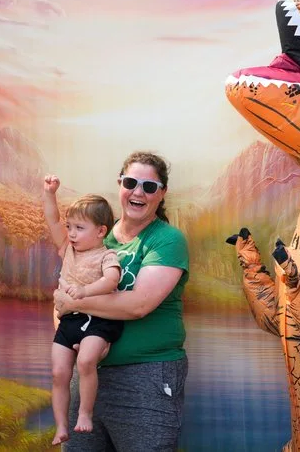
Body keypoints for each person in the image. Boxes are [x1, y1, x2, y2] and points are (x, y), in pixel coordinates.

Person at [54, 151, 189, 452]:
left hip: (146, 378)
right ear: (120, 184)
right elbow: (64, 293)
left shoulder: (167, 240)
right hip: (89, 375)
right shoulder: (96, 236)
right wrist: (69, 328)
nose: (138, 192)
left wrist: (72, 305)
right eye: (131, 182)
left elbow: (138, 304)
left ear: (161, 193)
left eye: (149, 186)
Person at [43, 175, 123, 446]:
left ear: (101, 231)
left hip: (99, 318)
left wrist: (85, 292)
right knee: (58, 373)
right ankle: (62, 426)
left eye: (79, 227)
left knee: (87, 360)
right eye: (70, 227)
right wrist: (49, 194)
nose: (72, 233)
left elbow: (111, 280)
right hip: (69, 320)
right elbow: (53, 221)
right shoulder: (68, 250)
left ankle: (85, 413)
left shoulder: (107, 255)